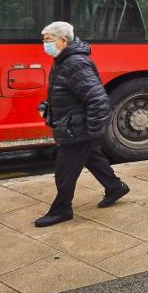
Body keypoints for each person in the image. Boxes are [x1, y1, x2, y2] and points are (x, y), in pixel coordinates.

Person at [34, 22, 129, 227]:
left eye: (48, 39)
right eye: (44, 40)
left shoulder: (74, 63)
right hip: (74, 123)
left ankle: (62, 209)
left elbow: (98, 99)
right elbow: (67, 92)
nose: (45, 44)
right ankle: (115, 187)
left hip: (77, 127)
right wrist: (48, 105)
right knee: (93, 158)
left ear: (63, 41)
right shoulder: (63, 59)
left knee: (64, 170)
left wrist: (93, 131)